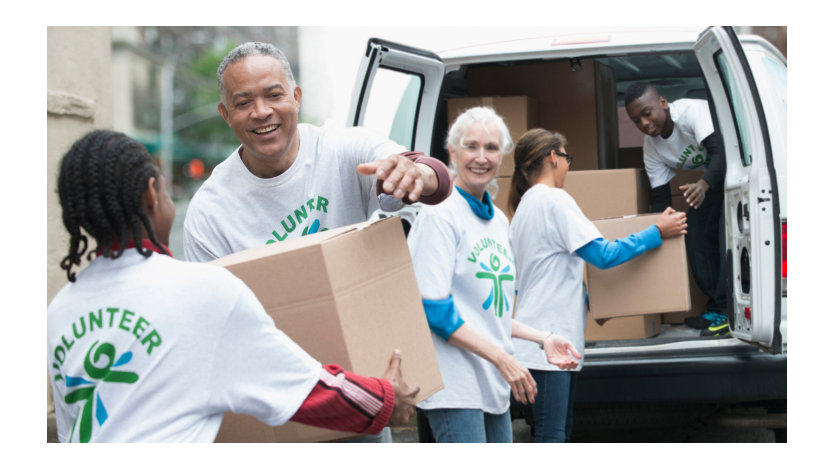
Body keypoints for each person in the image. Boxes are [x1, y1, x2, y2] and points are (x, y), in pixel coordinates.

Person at [48, 130, 419, 443]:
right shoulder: (199, 292)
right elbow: (306, 389)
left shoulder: (58, 311)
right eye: (164, 191)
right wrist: (387, 400)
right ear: (150, 193)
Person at [182, 41, 452, 262]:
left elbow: (434, 177)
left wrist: (417, 174)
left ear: (296, 98)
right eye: (243, 103)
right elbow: (215, 313)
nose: (262, 112)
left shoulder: (340, 149)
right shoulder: (210, 212)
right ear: (226, 114)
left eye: (275, 96)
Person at [406, 108, 581, 443]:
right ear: (453, 153)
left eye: (491, 148)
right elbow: (434, 310)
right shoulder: (440, 215)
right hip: (455, 385)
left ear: (502, 156)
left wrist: (543, 337)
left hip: (492, 382)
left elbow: (490, 311)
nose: (481, 157)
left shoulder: (499, 222)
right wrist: (504, 359)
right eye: (471, 146)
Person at [508, 128, 688, 442]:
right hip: (548, 342)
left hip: (542, 340)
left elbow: (544, 278)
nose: (568, 167)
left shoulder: (524, 207)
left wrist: (592, 303)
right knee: (552, 437)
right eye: (567, 158)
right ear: (553, 157)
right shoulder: (554, 200)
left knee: (552, 433)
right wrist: (656, 231)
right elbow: (603, 256)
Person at [624, 82, 728, 336]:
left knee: (725, 235)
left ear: (662, 103)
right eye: (636, 120)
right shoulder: (651, 147)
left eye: (647, 113)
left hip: (738, 172)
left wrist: (703, 185)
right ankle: (718, 306)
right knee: (694, 235)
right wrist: (658, 231)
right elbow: (661, 198)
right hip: (712, 184)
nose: (645, 123)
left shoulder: (690, 113)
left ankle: (730, 309)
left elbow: (723, 153)